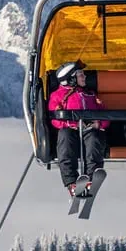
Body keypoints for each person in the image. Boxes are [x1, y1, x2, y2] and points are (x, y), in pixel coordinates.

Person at [47, 60, 109, 195]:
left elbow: (105, 117)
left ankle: (91, 178)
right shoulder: (58, 96)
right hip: (71, 131)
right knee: (65, 140)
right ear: (71, 79)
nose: (84, 77)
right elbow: (55, 119)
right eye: (81, 75)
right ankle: (71, 182)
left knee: (94, 139)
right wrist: (70, 124)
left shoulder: (90, 95)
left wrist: (98, 124)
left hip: (89, 130)